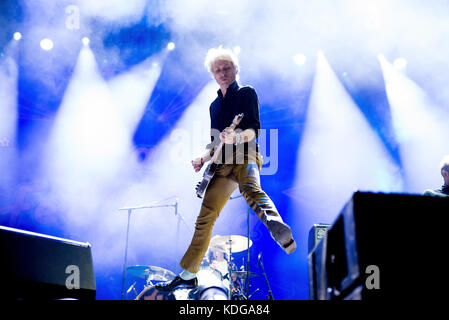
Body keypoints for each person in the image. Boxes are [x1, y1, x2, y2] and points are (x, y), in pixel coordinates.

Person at [156, 47, 296, 292]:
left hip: (245, 154)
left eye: (226, 68)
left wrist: (238, 137)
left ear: (236, 69)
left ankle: (277, 226)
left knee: (251, 190)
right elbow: (215, 141)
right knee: (205, 217)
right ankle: (189, 273)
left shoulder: (246, 93)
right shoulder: (214, 106)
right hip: (221, 165)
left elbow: (254, 129)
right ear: (213, 74)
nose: (222, 73)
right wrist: (203, 157)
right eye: (217, 70)